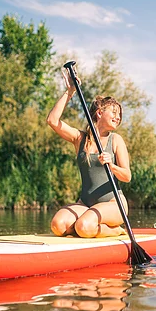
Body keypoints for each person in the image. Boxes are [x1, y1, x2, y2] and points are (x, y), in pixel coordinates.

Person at [47, 68, 131, 238]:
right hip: (86, 204)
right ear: (100, 113)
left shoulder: (116, 140)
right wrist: (69, 92)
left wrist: (111, 165)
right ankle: (86, 228)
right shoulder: (80, 139)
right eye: (114, 112)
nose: (118, 117)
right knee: (58, 225)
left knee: (84, 226)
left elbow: (127, 176)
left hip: (114, 204)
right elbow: (52, 121)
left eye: (119, 115)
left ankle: (115, 230)